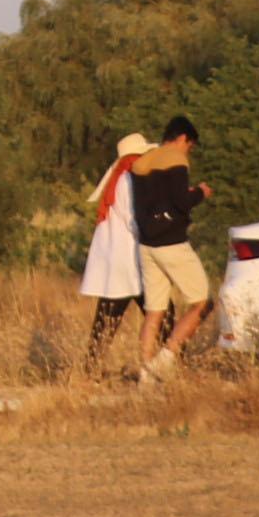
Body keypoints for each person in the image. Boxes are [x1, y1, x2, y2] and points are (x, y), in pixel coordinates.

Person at [128, 116, 215, 374]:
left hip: (146, 244)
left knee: (154, 311)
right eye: (190, 146)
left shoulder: (143, 161)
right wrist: (200, 193)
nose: (188, 152)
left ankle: (146, 372)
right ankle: (164, 359)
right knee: (202, 303)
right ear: (183, 138)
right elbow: (181, 202)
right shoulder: (176, 159)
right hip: (172, 243)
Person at [78, 134, 147, 371]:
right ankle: (171, 363)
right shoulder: (129, 180)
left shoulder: (118, 178)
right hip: (130, 260)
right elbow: (133, 219)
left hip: (116, 261)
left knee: (107, 316)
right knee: (160, 312)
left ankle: (91, 368)